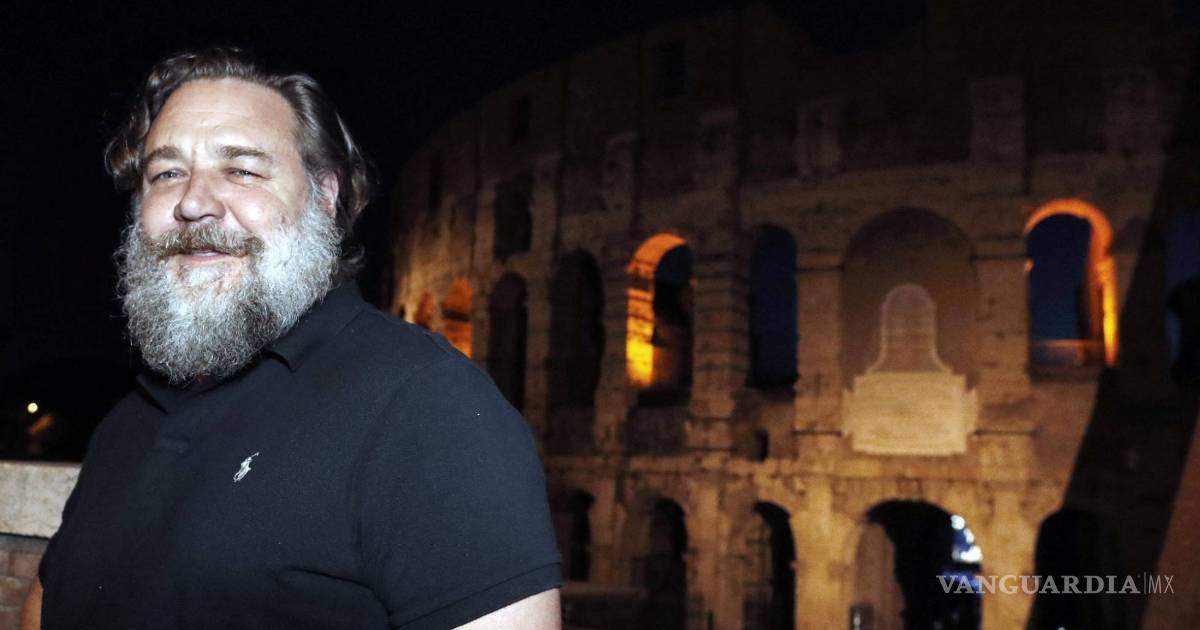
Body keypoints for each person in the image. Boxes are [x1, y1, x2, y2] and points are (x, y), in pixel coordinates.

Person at [20, 47, 562, 630]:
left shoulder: (425, 405)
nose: (193, 201)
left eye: (242, 170)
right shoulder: (126, 422)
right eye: (166, 173)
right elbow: (45, 606)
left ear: (324, 197)